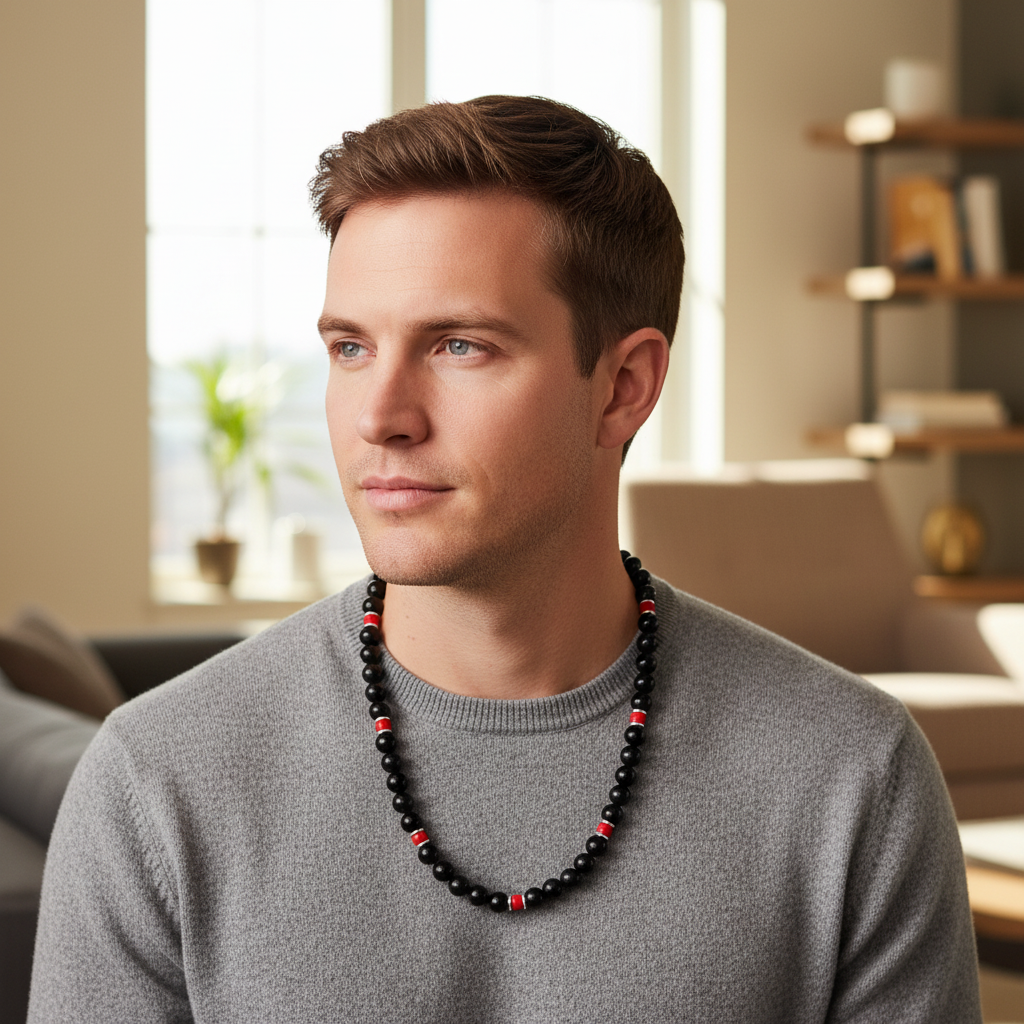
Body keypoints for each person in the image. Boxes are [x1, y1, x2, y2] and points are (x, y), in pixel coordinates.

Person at [30, 96, 981, 1023]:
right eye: (351, 347)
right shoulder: (153, 785)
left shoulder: (854, 778)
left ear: (623, 387)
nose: (380, 417)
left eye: (458, 345)